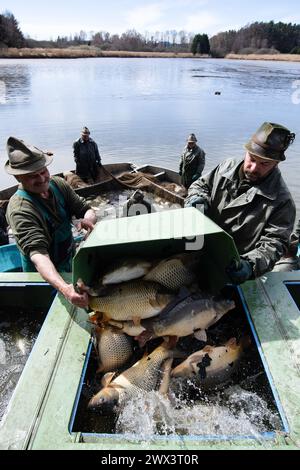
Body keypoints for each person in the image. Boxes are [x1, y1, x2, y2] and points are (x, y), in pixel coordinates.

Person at [185, 122, 296, 284]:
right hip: (196, 248)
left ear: (276, 163)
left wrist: (249, 265)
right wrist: (197, 197)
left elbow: (274, 244)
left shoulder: (282, 203)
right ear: (246, 152)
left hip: (230, 268)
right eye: (252, 159)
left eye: (264, 164)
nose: (253, 168)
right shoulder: (226, 166)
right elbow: (201, 185)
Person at [5, 136, 97, 308]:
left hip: (68, 262)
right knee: (49, 310)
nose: (41, 179)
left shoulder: (58, 184)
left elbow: (85, 208)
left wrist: (88, 218)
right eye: (32, 176)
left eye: (43, 171)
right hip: (43, 277)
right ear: (19, 178)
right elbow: (39, 256)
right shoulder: (20, 209)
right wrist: (64, 288)